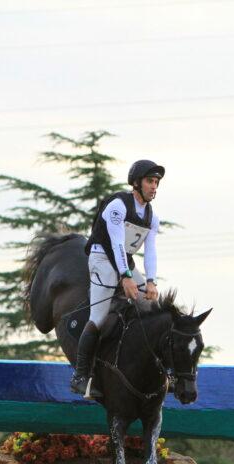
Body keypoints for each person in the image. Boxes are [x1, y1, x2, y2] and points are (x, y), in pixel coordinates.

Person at [70, 159, 164, 397]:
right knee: (99, 317)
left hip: (124, 262)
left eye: (156, 182)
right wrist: (125, 277)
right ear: (136, 183)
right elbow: (116, 243)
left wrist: (151, 281)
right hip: (102, 257)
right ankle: (81, 376)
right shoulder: (118, 205)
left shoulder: (152, 216)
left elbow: (150, 250)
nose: (154, 187)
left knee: (151, 305)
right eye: (150, 181)